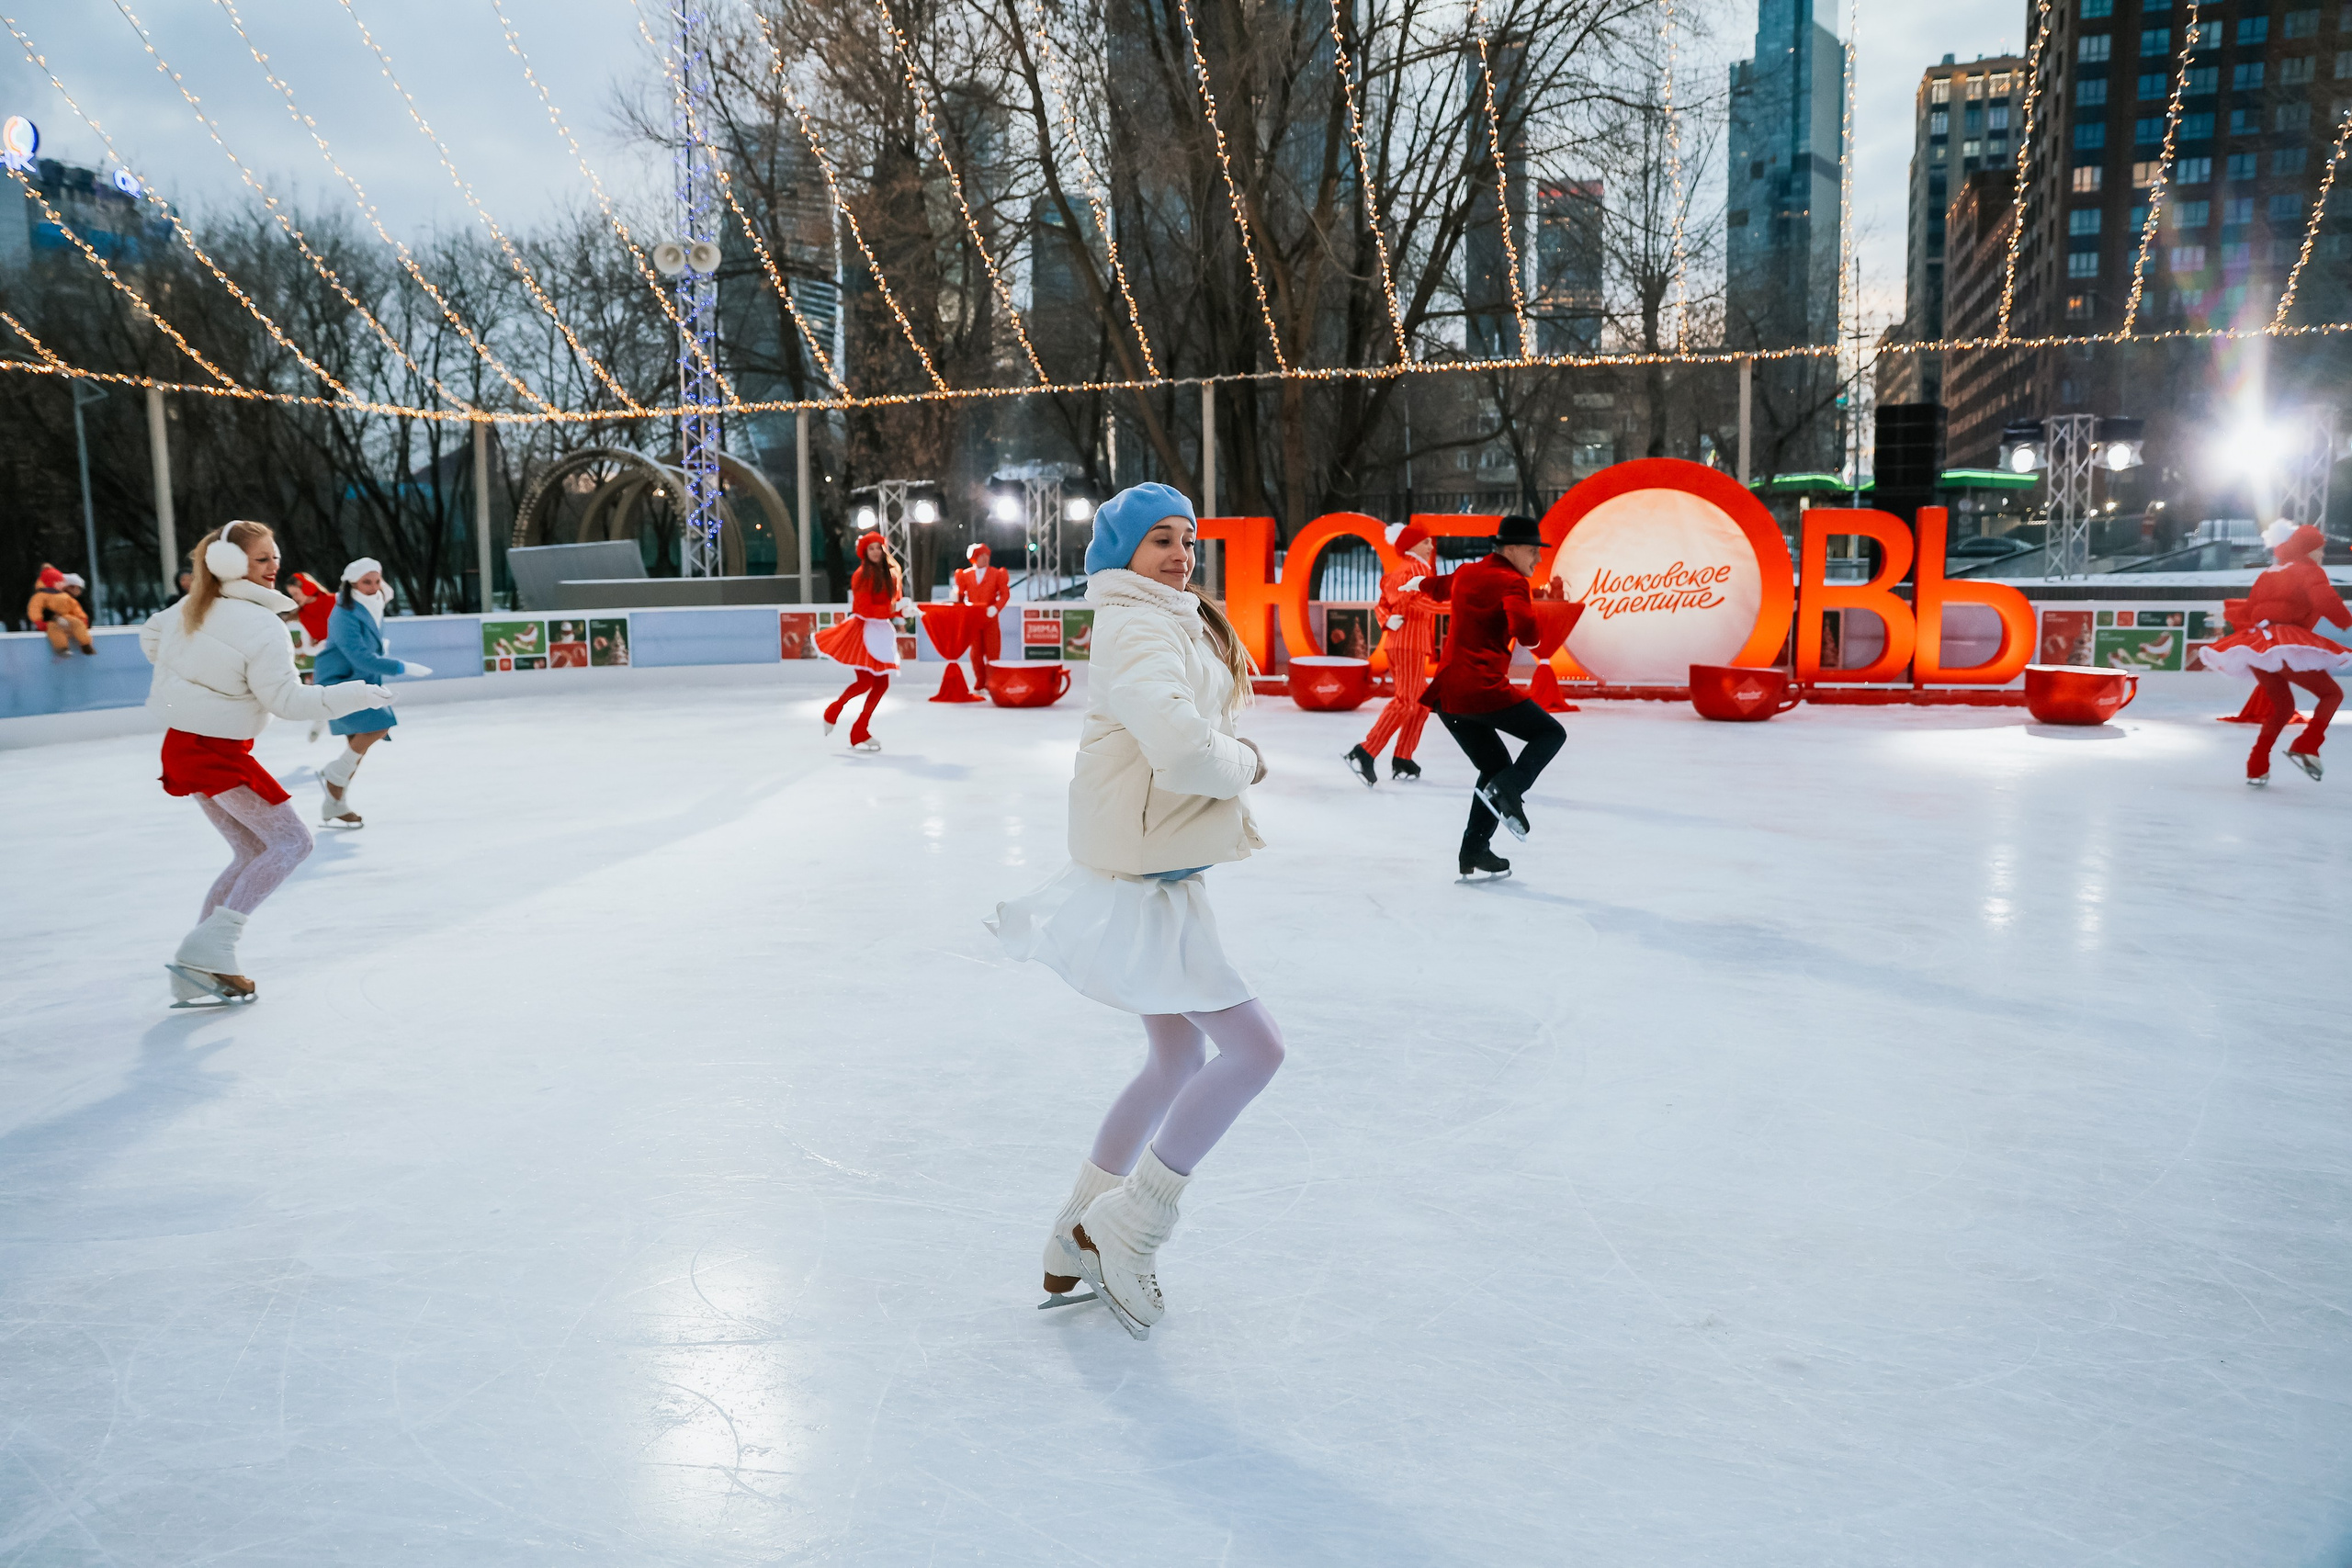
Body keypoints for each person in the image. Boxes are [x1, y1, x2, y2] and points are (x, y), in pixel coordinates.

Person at [988, 482, 1283, 1341]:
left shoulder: (1164, 614)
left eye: (1188, 540)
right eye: (1161, 540)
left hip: (1153, 863)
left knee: (1177, 1055)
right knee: (1256, 1049)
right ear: (1121, 553)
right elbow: (1185, 749)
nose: (1181, 555)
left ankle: (1071, 1235)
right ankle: (1130, 1225)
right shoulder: (1138, 622)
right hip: (1148, 878)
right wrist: (1249, 761)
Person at [141, 521, 389, 1005]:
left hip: (185, 745)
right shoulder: (261, 624)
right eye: (261, 559)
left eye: (275, 556)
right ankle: (213, 948)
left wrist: (201, 684)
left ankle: (196, 965)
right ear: (232, 565)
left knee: (253, 850)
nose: (274, 567)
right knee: (293, 842)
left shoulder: (188, 609)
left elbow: (152, 640)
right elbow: (289, 701)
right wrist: (354, 694)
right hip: (214, 751)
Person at [1419, 513, 1580, 879]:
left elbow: (1439, 587)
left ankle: (1474, 850)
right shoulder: (1512, 581)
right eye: (1531, 551)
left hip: (1448, 696)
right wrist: (1535, 638)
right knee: (1551, 733)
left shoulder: (1467, 573)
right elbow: (1525, 631)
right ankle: (1511, 787)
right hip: (1481, 688)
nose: (1537, 560)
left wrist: (1420, 584)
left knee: (1492, 765)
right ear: (1510, 549)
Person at [2198, 521, 2351, 784]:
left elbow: (2249, 611)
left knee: (2283, 707)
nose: (2322, 555)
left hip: (2257, 647)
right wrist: (2347, 621)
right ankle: (2307, 745)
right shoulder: (2309, 570)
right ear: (2309, 551)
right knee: (2332, 694)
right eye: (2320, 549)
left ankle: (2257, 766)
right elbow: (2325, 600)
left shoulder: (2269, 572)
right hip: (2283, 645)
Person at [311, 558, 432, 827]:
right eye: (367, 582)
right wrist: (402, 666)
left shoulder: (375, 601)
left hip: (362, 678)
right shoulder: (343, 612)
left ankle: (335, 803)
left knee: (357, 746)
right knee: (378, 727)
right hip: (340, 680)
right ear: (352, 583)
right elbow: (359, 657)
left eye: (377, 580)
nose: (374, 586)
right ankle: (333, 775)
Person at [1345, 522, 1442, 784]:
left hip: (1401, 641)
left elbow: (1382, 605)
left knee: (1420, 702)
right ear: (1411, 546)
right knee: (1408, 700)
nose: (1431, 547)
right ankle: (1366, 751)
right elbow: (1425, 601)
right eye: (1425, 542)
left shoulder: (1398, 571)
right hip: (1409, 641)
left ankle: (1402, 757)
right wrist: (1460, 603)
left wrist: (1388, 620)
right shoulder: (1419, 569)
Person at [815, 531, 915, 750]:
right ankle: (835, 709)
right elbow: (863, 608)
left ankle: (860, 728)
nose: (876, 552)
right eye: (871, 548)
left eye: (879, 547)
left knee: (882, 683)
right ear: (864, 552)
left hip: (881, 633)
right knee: (866, 682)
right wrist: (893, 609)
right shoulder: (861, 575)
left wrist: (904, 612)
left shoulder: (891, 574)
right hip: (863, 632)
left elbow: (892, 606)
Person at [951, 541, 1012, 693]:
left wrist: (996, 608)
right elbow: (960, 596)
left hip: (990, 619)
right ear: (974, 558)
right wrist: (956, 598)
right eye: (982, 555)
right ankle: (980, 681)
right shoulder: (965, 575)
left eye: (987, 555)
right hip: (973, 619)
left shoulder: (997, 574)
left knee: (993, 651)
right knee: (975, 653)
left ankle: (993, 681)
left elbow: (1005, 594)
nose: (985, 558)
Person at [284, 571, 337, 741]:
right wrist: (316, 645)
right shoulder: (301, 615)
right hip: (327, 656)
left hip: (345, 651)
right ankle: (321, 718)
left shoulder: (335, 600)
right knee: (323, 688)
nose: (294, 599)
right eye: (291, 595)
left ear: (307, 587)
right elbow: (310, 649)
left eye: (295, 594)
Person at [26, 565, 93, 656]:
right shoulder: (41, 596)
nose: (62, 584)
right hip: (52, 621)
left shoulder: (65, 596)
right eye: (59, 582)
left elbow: (75, 607)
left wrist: (82, 619)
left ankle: (86, 644)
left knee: (77, 623)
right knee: (55, 629)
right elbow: (34, 609)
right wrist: (39, 622)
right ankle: (61, 648)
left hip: (67, 618)